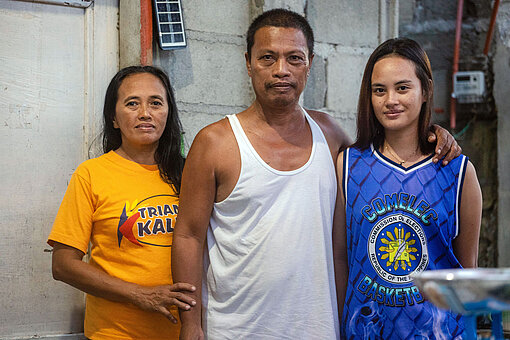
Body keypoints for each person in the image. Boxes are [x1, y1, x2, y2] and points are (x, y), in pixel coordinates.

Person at [171, 9, 460, 340]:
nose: (282, 70)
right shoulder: (215, 142)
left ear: (309, 63)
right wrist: (190, 323)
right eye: (268, 57)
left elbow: (383, 162)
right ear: (248, 62)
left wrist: (431, 134)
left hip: (319, 328)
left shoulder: (329, 134)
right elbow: (188, 236)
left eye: (294, 58)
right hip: (235, 329)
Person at [334, 37, 482, 339]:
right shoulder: (348, 165)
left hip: (438, 331)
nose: (390, 100)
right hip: (366, 329)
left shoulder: (458, 171)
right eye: (379, 90)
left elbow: (466, 270)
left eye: (402, 87)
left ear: (425, 90)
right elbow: (340, 257)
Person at [48, 65, 197, 339]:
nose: (145, 113)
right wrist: (138, 295)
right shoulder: (91, 174)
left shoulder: (192, 174)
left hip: (185, 333)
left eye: (156, 103)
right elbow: (63, 264)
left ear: (168, 113)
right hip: (115, 332)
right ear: (114, 118)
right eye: (132, 103)